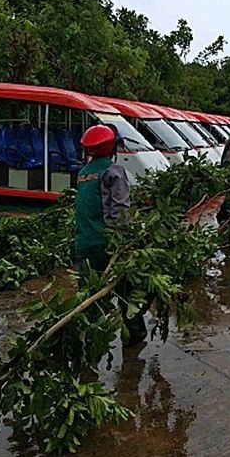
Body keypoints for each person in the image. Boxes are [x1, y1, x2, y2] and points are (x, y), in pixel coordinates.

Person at [75, 124, 149, 346]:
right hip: (106, 243)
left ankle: (89, 336)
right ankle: (135, 333)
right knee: (125, 290)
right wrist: (124, 242)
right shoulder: (113, 171)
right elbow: (119, 211)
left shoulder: (83, 173)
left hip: (83, 241)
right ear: (112, 147)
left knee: (89, 292)